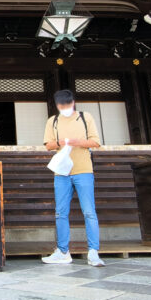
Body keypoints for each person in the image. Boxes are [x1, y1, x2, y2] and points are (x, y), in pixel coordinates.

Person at [41, 89, 105, 267]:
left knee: (89, 211)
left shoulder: (86, 117)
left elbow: (96, 142)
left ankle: (93, 252)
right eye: (61, 106)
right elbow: (48, 145)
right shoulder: (52, 121)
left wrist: (77, 142)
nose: (65, 108)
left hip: (83, 170)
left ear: (73, 103)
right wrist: (60, 143)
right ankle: (62, 251)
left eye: (67, 105)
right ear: (57, 106)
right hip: (61, 172)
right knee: (60, 212)